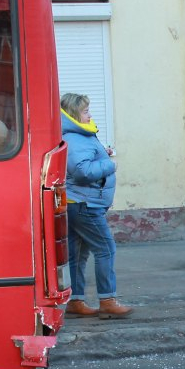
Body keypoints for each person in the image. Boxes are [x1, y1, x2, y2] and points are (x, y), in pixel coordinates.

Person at [60, 92, 134, 319]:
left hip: (78, 202)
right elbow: (82, 172)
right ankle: (107, 300)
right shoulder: (74, 137)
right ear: (73, 114)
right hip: (85, 204)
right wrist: (108, 164)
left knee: (77, 254)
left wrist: (102, 156)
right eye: (85, 111)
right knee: (105, 249)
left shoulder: (77, 135)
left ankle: (75, 301)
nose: (89, 114)